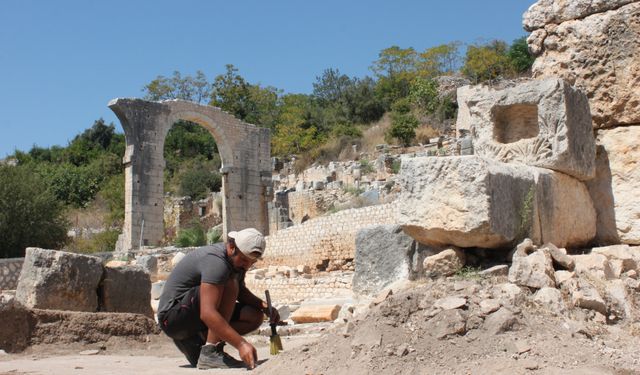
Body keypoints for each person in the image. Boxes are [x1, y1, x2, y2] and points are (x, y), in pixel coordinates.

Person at [157, 227, 279, 370]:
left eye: (252, 262)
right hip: (172, 319)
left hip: (191, 316)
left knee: (254, 316)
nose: (247, 266)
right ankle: (210, 351)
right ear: (232, 247)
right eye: (244, 260)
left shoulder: (236, 264)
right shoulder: (217, 262)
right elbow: (207, 313)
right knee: (230, 284)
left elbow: (242, 293)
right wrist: (241, 344)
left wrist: (264, 307)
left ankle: (200, 341)